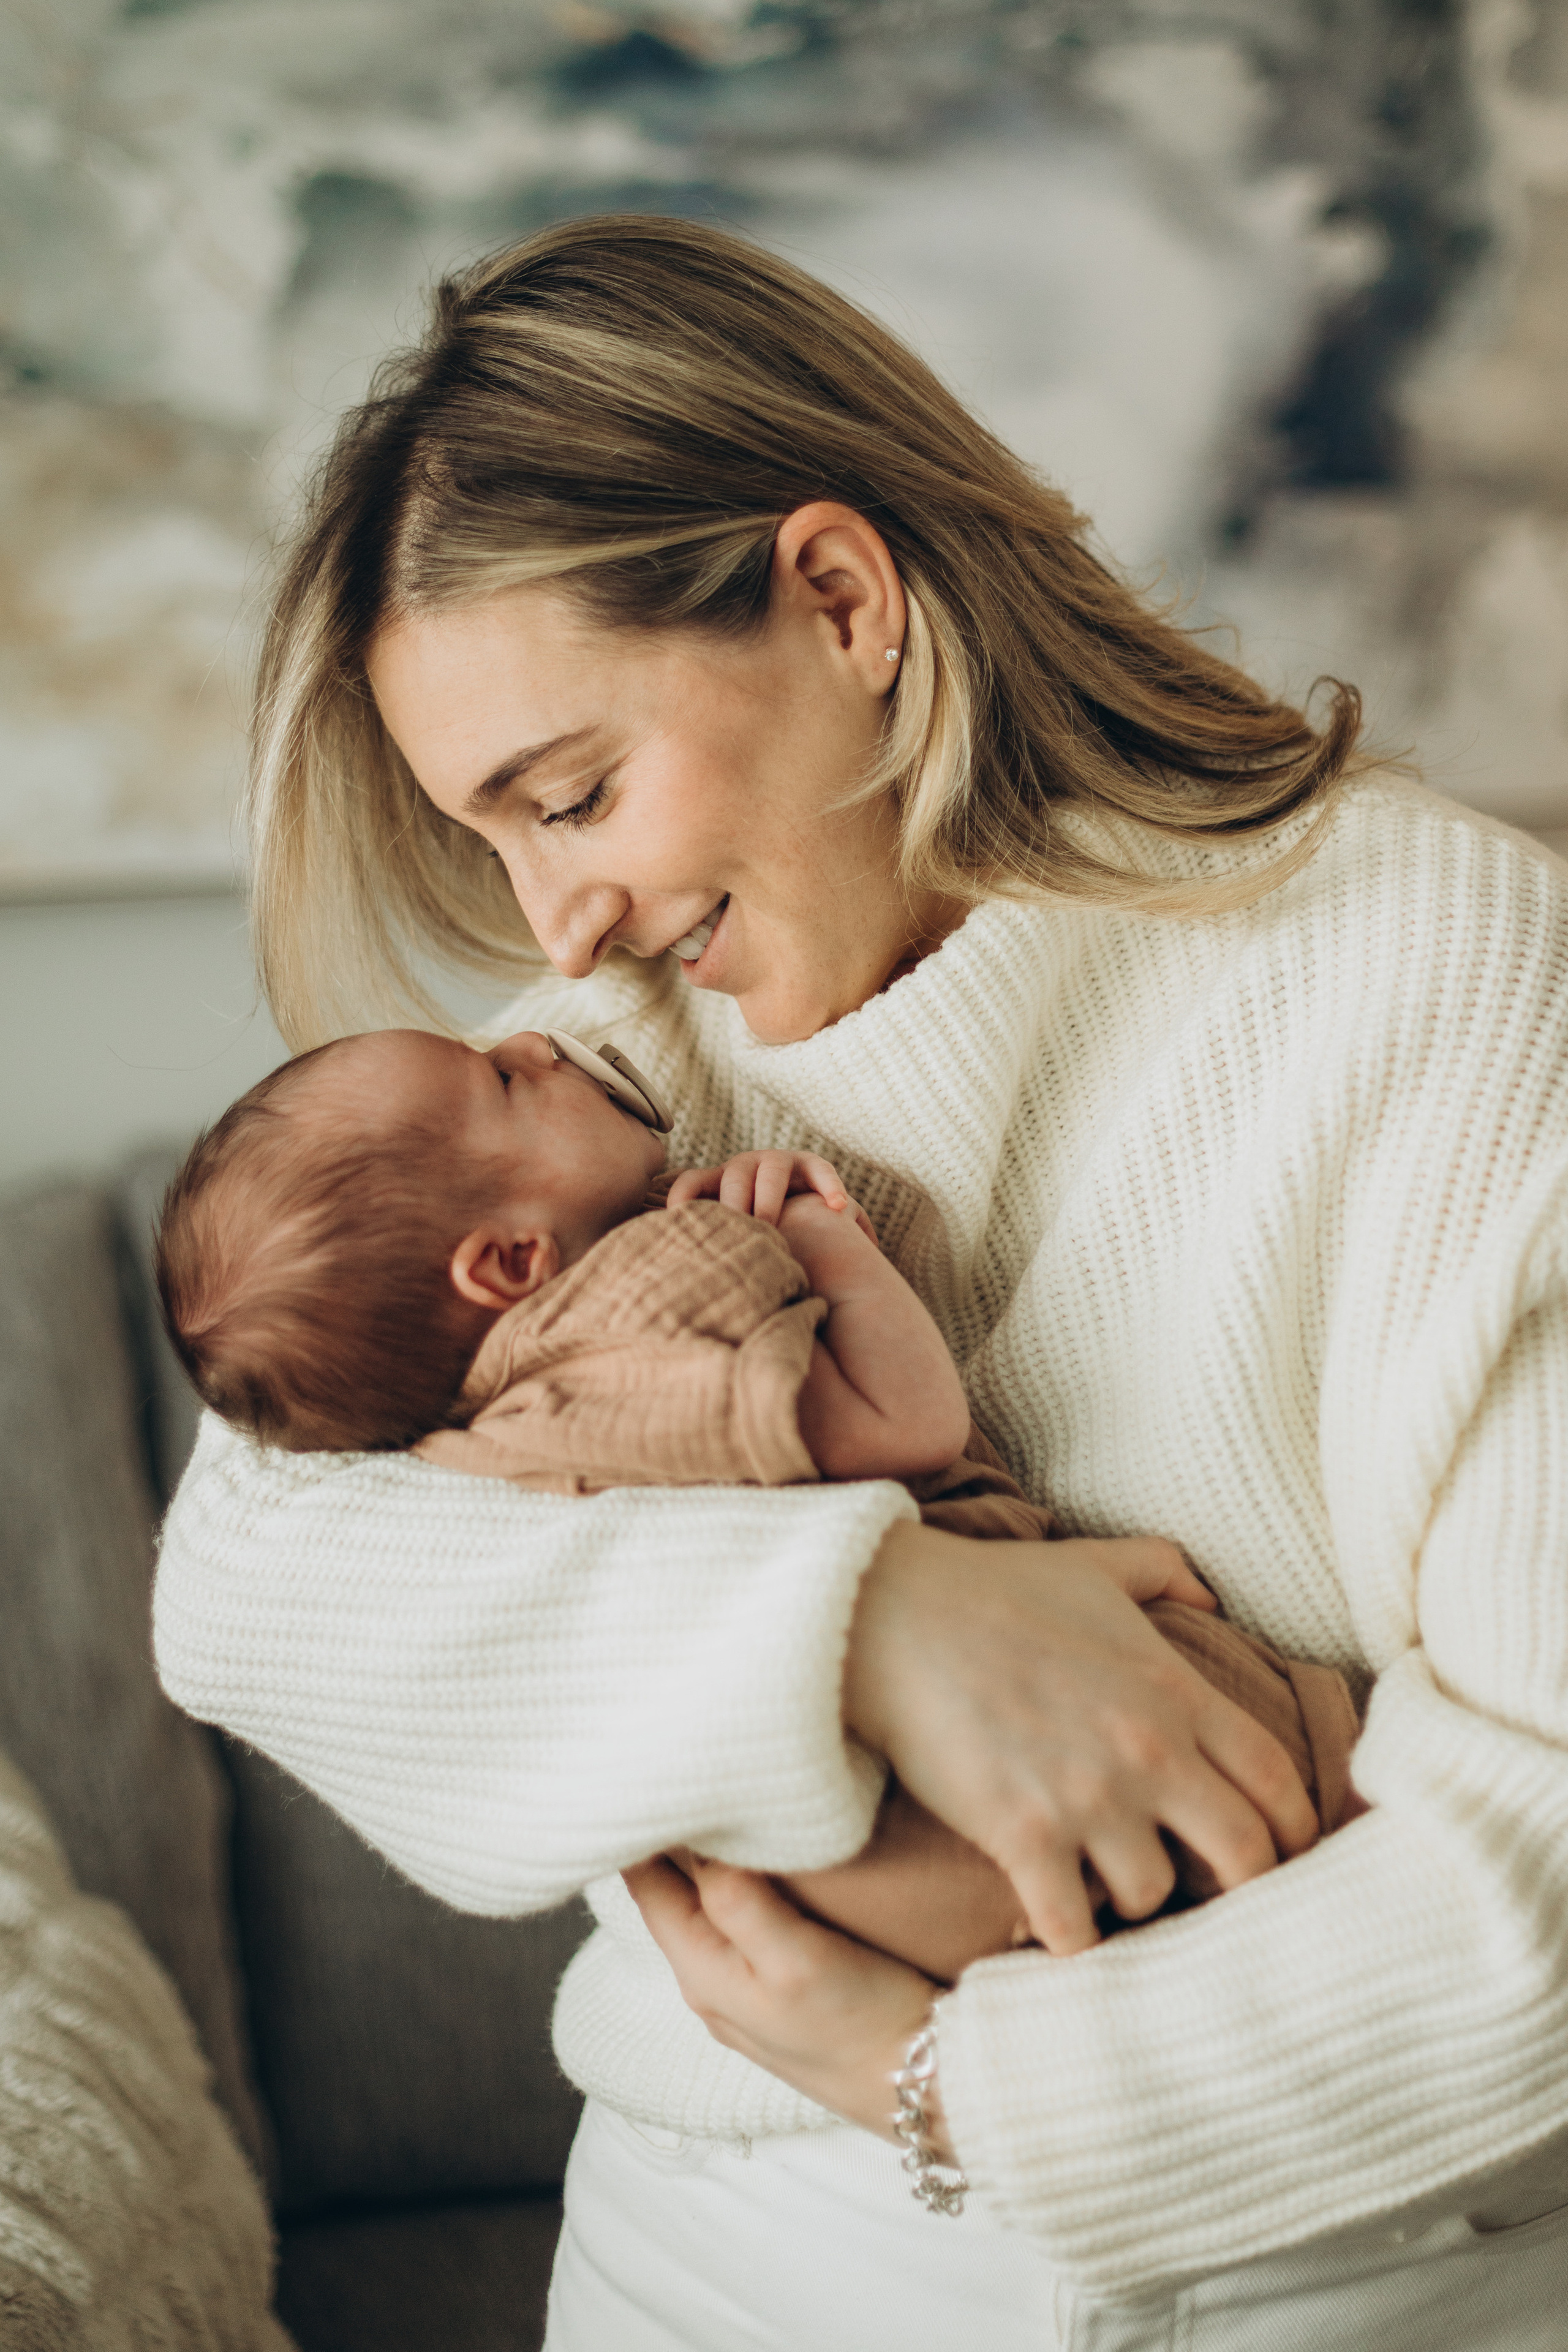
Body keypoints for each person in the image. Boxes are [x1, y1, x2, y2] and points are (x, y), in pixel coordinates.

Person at [152, 214, 1568, 2350]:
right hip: (707, 2261)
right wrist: (880, 1627)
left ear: (842, 600)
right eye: (497, 842)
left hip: (1354, 2279)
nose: (568, 920)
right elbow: (249, 1571)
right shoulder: (639, 1049)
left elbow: (1541, 1872)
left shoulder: (1452, 986)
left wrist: (954, 2088)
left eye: (579, 794)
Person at [152, 1030, 1362, 1983]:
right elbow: (904, 1429)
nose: (538, 1036)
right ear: (512, 1263)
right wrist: (820, 1238)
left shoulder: (463, 1429)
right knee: (1295, 1760)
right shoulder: (657, 1288)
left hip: (822, 1892)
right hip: (975, 1768)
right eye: (503, 1076)